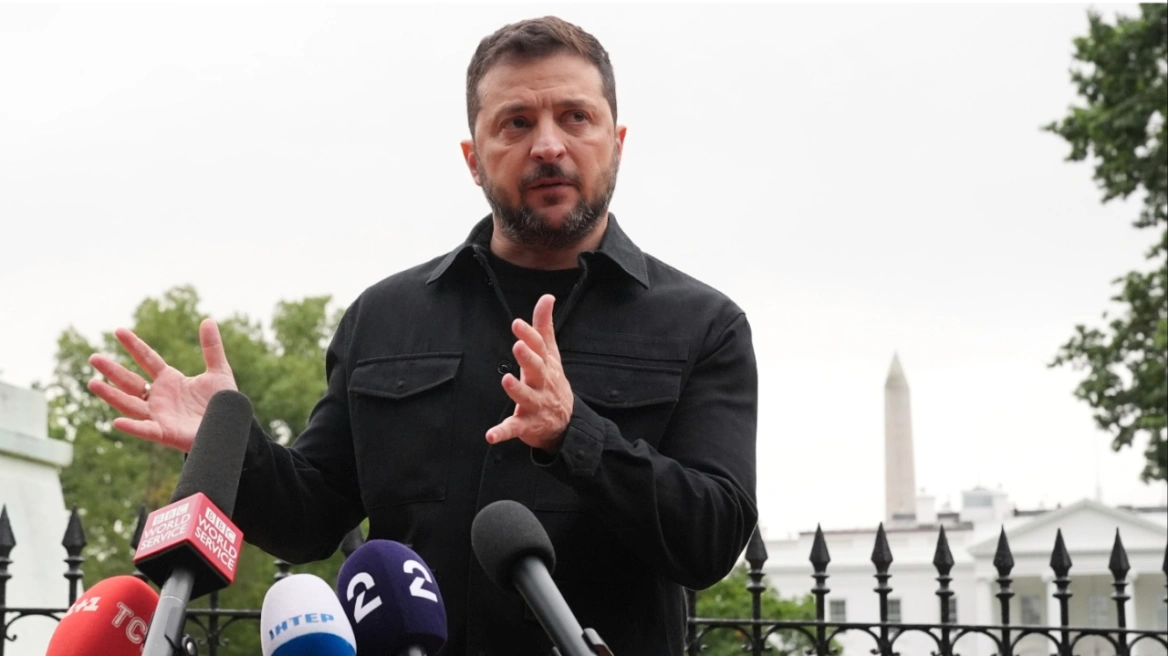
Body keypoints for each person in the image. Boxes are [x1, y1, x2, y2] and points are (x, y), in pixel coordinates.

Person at [88, 15, 758, 656]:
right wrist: (227, 444)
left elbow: (711, 539)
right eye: (516, 123)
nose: (549, 145)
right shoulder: (385, 318)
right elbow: (309, 519)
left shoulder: (703, 326)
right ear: (473, 158)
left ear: (617, 141)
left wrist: (573, 432)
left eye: (576, 117)